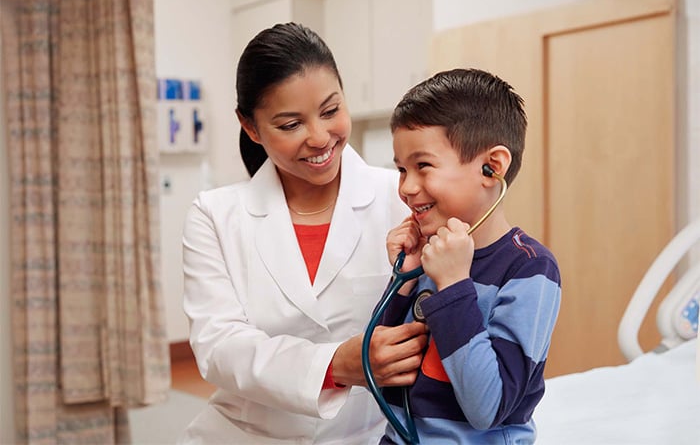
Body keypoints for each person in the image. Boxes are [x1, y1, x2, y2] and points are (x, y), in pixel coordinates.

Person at [178, 22, 428, 444]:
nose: (319, 137)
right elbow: (220, 347)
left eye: (330, 111)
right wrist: (338, 364)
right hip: (247, 434)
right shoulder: (215, 215)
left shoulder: (403, 198)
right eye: (291, 124)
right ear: (251, 127)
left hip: (371, 434)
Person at [379, 68, 562, 444]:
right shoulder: (429, 255)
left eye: (422, 166)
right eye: (400, 169)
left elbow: (488, 409)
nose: (406, 188)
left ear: (491, 168)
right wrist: (407, 277)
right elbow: (380, 373)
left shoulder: (530, 269)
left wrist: (452, 284)